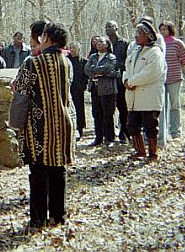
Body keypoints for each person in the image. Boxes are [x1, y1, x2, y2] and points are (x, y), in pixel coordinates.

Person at [13, 22, 74, 228]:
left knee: (38, 172)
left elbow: (20, 87)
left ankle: (38, 218)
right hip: (62, 123)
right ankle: (58, 216)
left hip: (39, 126)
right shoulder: (67, 63)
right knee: (58, 170)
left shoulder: (33, 62)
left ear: (46, 38)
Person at [123, 22, 167, 161]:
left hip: (149, 96)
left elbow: (151, 73)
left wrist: (132, 81)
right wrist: (125, 81)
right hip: (133, 96)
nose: (136, 36)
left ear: (148, 36)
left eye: (139, 33)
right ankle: (139, 151)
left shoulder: (155, 52)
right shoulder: (135, 51)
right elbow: (127, 68)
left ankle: (153, 153)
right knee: (132, 125)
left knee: (150, 126)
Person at [158, 21, 185, 145]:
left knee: (175, 104)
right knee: (162, 106)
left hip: (174, 78)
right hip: (161, 79)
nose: (162, 31)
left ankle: (175, 131)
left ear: (170, 30)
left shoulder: (177, 43)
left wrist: (176, 68)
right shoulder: (158, 44)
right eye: (161, 29)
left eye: (165, 29)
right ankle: (163, 131)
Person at [84, 37, 118, 146]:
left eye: (101, 42)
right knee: (96, 113)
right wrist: (97, 72)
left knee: (108, 114)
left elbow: (106, 68)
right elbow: (86, 69)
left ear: (107, 44)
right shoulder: (93, 56)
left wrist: (98, 70)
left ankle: (110, 138)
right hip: (95, 88)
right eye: (97, 43)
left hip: (108, 89)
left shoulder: (111, 57)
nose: (98, 44)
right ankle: (98, 138)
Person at [105, 21, 129, 143]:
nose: (108, 29)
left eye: (110, 27)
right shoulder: (104, 43)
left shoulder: (124, 43)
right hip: (107, 82)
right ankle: (109, 136)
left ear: (116, 28)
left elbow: (128, 60)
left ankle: (124, 133)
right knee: (108, 109)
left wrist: (118, 66)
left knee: (123, 108)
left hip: (120, 81)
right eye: (106, 27)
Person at [66, 41, 88, 139]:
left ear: (78, 49)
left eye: (74, 47)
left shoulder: (83, 61)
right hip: (68, 89)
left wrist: (83, 85)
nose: (72, 50)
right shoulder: (66, 60)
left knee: (79, 109)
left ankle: (80, 129)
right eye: (70, 47)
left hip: (79, 89)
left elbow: (86, 76)